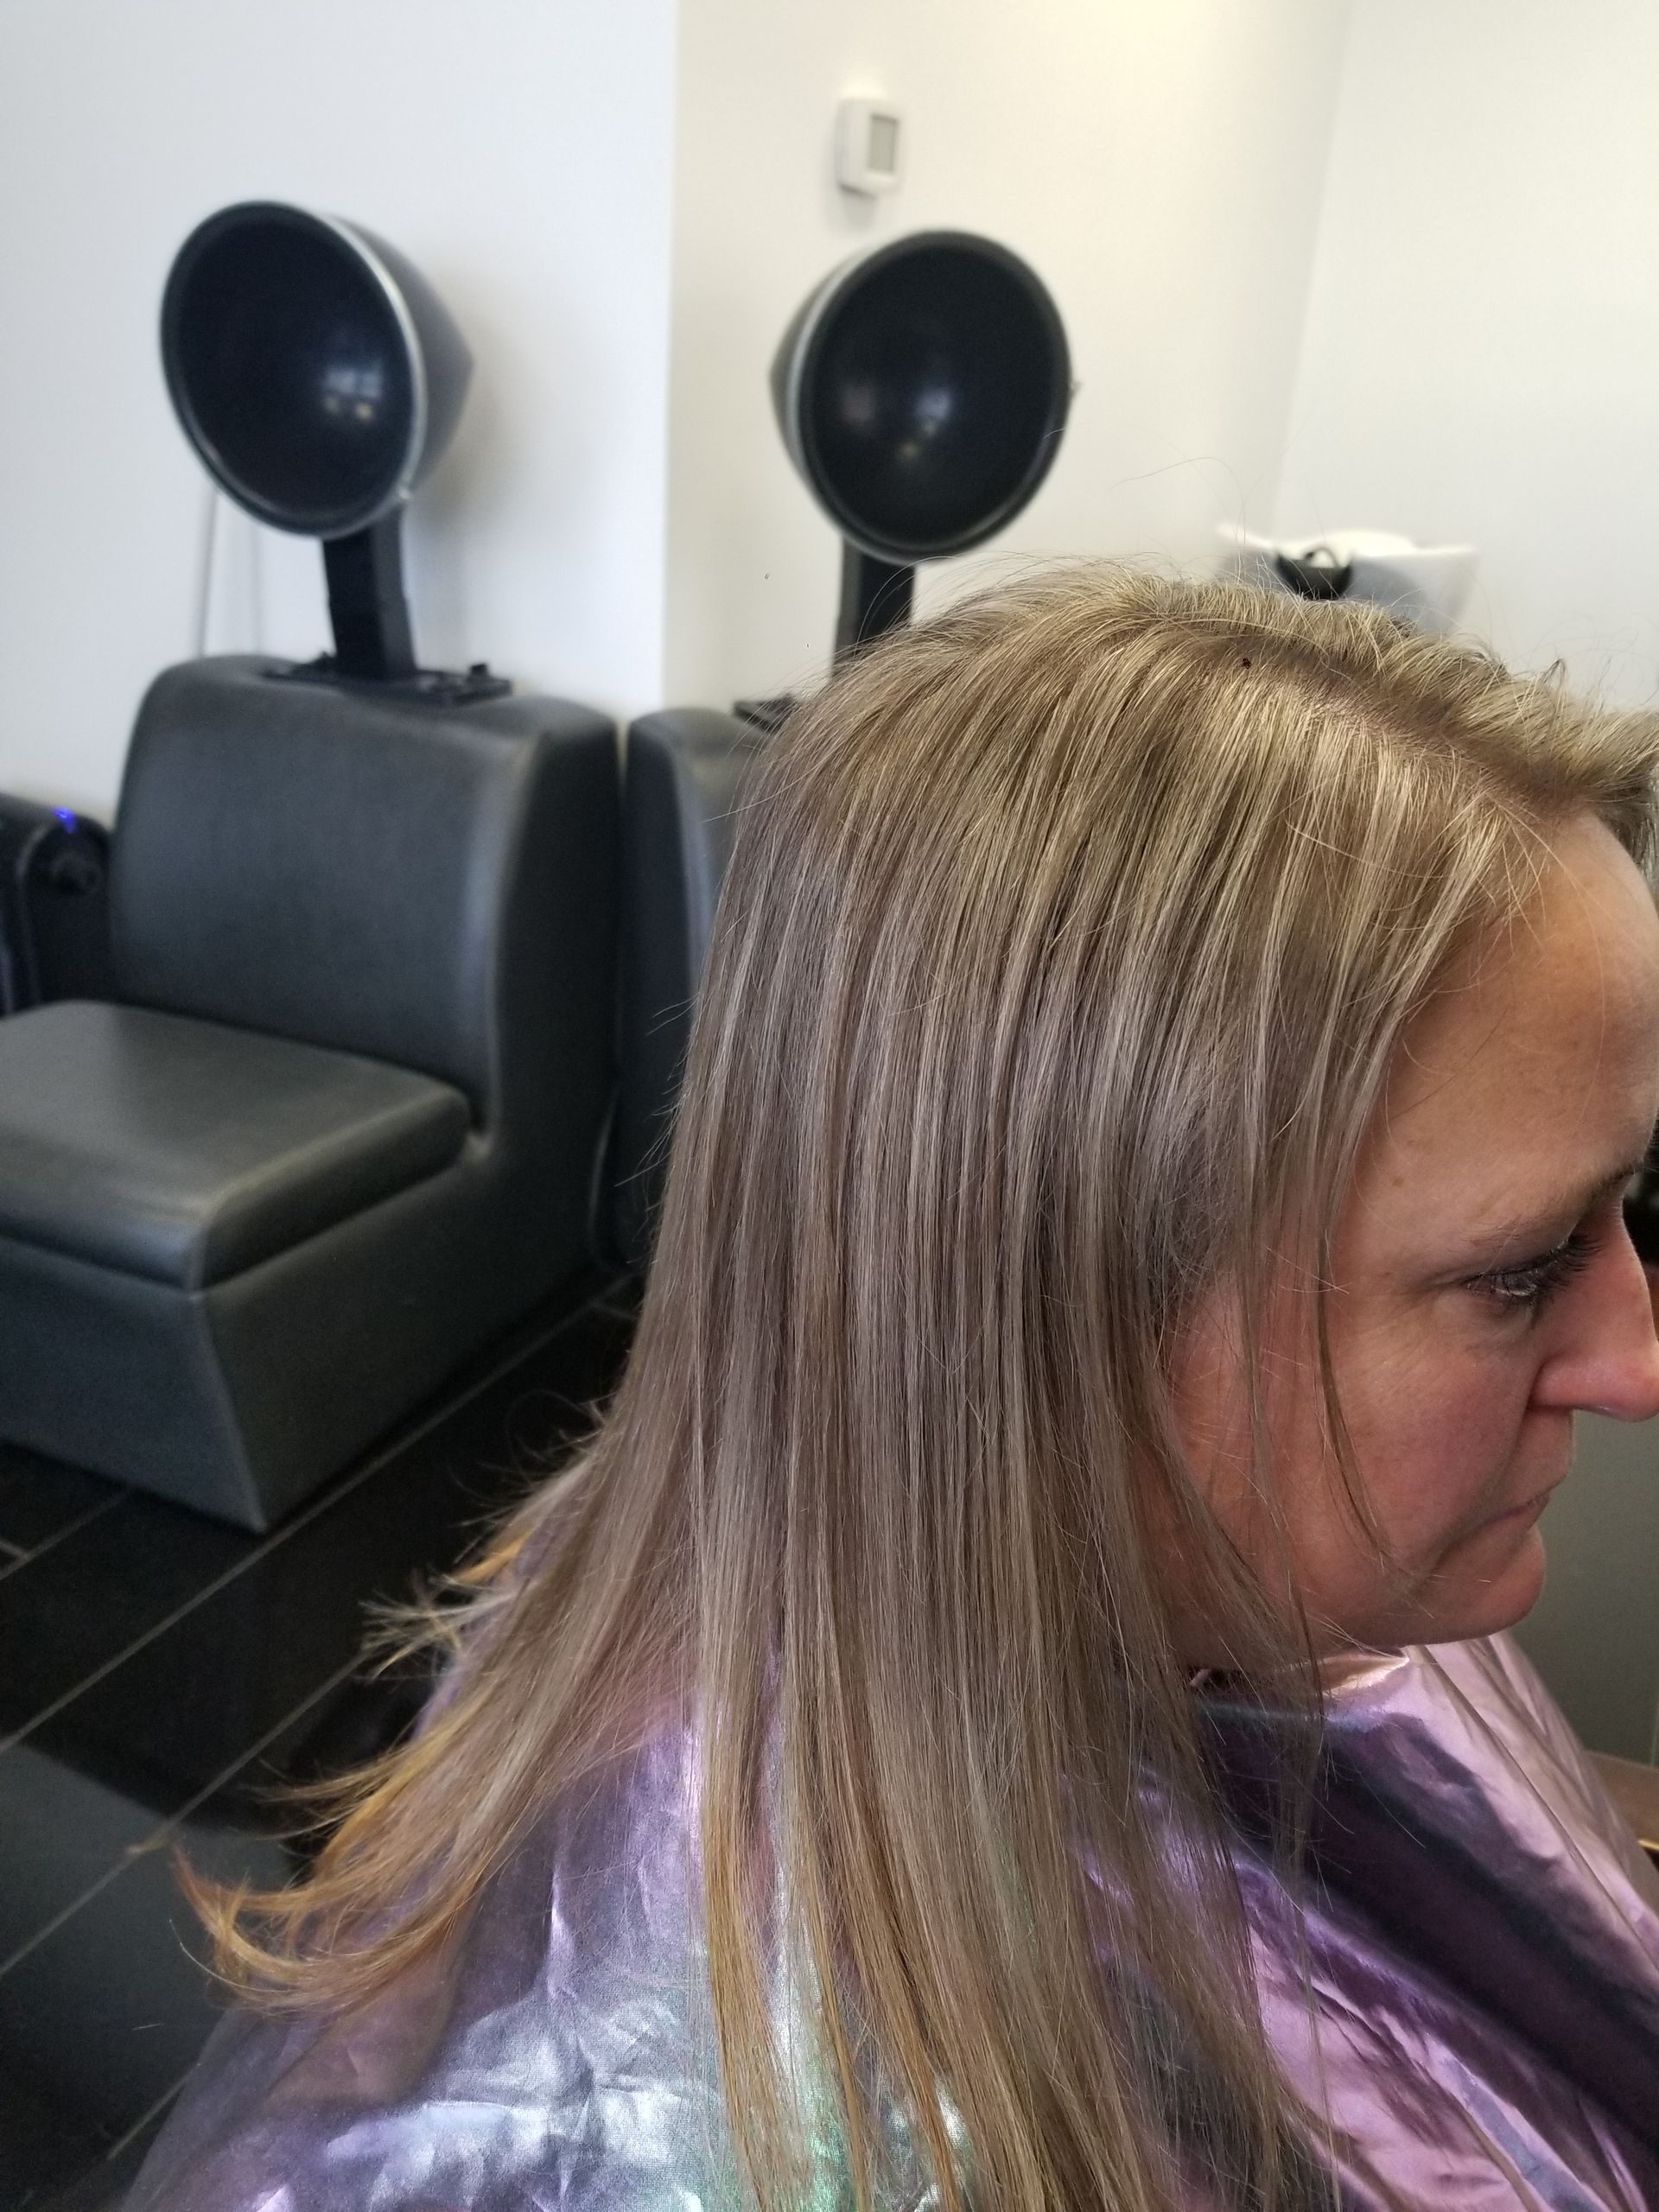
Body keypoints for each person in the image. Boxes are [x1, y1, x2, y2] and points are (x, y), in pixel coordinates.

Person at [127, 570, 1659, 2211]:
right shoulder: (756, 2120)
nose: (1637, 1359)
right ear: (1044, 1305)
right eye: (1520, 1270)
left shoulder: (1283, 1563)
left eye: (1634, 1206)